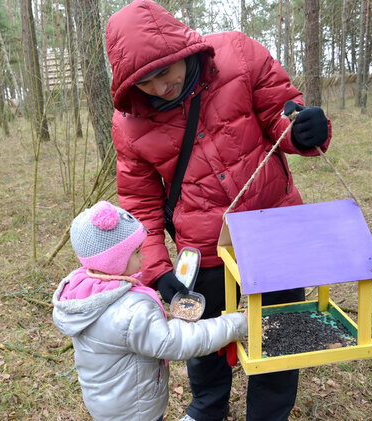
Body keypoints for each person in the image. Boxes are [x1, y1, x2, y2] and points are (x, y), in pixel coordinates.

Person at [104, 1, 332, 420]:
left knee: (282, 335)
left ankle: (269, 414)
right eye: (146, 82)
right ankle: (208, 409)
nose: (159, 87)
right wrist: (155, 268)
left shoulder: (239, 55)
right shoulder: (128, 123)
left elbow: (280, 118)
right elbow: (140, 204)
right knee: (202, 342)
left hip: (274, 228)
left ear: (180, 51)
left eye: (164, 72)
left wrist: (303, 131)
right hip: (203, 246)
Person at [51, 200, 248, 421]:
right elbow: (176, 342)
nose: (143, 257)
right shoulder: (130, 311)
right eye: (136, 253)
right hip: (135, 410)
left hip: (107, 403)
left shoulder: (86, 289)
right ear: (114, 261)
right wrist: (235, 323)